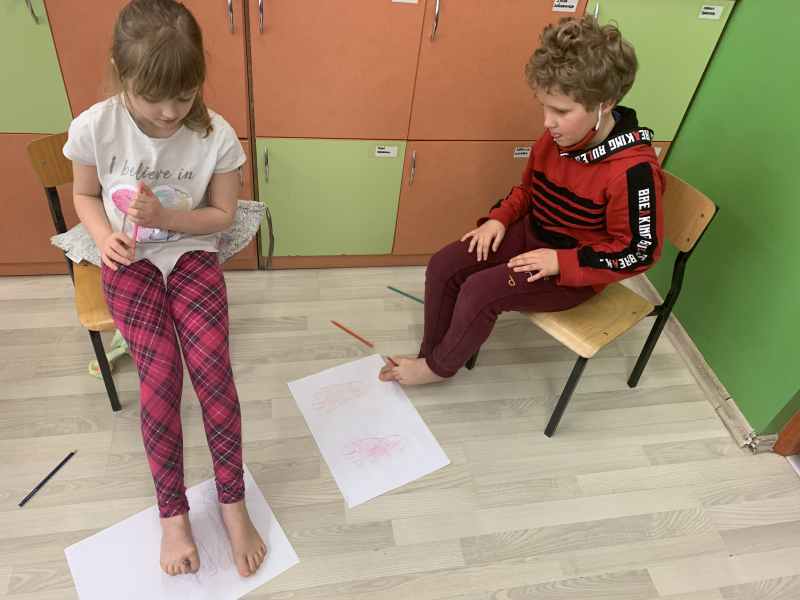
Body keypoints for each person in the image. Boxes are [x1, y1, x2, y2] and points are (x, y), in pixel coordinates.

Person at [63, 0, 266, 577]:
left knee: (213, 371)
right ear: (121, 74)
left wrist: (166, 219)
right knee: (160, 375)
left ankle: (232, 502)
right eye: (154, 98)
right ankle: (172, 516)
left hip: (192, 250)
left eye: (184, 94)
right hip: (128, 259)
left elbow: (221, 216)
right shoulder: (94, 126)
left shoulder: (216, 134)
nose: (171, 112)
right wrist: (103, 236)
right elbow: (83, 195)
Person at [380, 14, 665, 385]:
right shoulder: (558, 138)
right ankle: (430, 354)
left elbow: (640, 251)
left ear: (605, 103)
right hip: (532, 235)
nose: (548, 122)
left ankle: (437, 368)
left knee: (480, 292)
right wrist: (499, 218)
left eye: (561, 111)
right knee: (443, 266)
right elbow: (529, 190)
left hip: (572, 270)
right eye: (544, 106)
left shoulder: (634, 172)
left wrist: (561, 262)